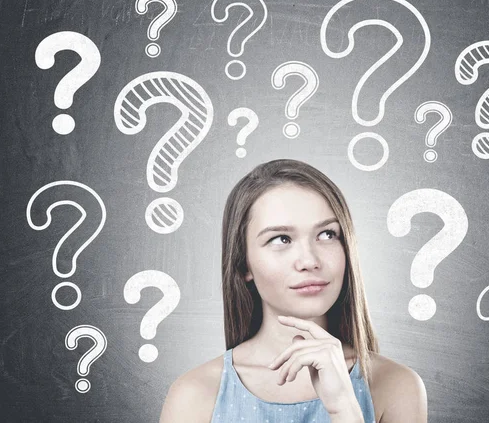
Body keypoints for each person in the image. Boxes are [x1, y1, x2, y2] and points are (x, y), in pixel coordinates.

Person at [160, 159, 427, 423]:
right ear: (243, 264)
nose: (310, 260)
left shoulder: (396, 386)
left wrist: (344, 408)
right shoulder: (194, 395)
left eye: (326, 234)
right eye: (281, 239)